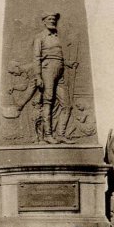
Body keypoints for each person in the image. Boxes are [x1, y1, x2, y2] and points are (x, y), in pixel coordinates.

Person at [33, 12, 77, 143]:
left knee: (67, 105)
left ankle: (61, 134)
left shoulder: (57, 37)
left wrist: (68, 63)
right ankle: (48, 135)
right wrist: (38, 76)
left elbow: (57, 55)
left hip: (60, 71)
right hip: (47, 70)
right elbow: (36, 58)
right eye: (49, 19)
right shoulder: (39, 37)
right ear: (44, 21)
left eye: (54, 19)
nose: (52, 21)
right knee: (48, 102)